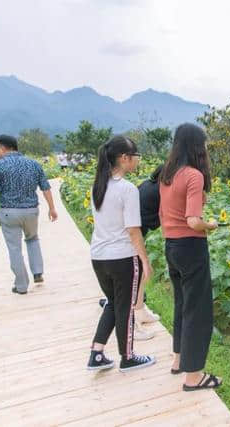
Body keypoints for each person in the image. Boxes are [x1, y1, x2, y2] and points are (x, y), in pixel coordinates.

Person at [160, 123, 222, 391]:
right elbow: (194, 221)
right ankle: (194, 376)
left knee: (182, 303)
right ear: (197, 146)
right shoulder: (194, 176)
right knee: (198, 310)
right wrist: (212, 225)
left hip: (171, 245)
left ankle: (178, 360)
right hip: (191, 246)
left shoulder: (168, 174)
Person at [86, 135, 156, 372]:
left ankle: (96, 353)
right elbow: (133, 230)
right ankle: (128, 357)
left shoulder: (98, 185)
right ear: (124, 158)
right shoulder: (127, 189)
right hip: (122, 257)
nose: (138, 160)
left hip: (99, 256)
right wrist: (144, 260)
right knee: (124, 307)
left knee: (114, 304)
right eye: (136, 156)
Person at [0, 135, 58, 294]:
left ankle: (21, 285)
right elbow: (46, 187)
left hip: (9, 213)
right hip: (31, 211)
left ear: (2, 147)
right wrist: (52, 208)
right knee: (32, 239)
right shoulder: (33, 164)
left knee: (14, 248)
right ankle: (37, 272)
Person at [98, 164, 163, 328]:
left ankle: (140, 310)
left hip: (125, 231)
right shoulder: (159, 190)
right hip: (131, 232)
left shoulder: (149, 184)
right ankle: (132, 322)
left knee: (137, 273)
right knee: (134, 273)